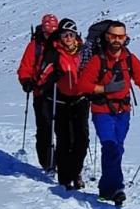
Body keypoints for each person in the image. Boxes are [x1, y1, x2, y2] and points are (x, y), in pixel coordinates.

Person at [86, 19, 140, 207]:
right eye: (113, 36)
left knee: (118, 148)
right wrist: (105, 88)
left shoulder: (130, 59)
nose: (117, 40)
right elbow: (83, 85)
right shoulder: (97, 60)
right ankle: (116, 189)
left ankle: (106, 188)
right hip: (102, 111)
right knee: (111, 147)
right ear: (107, 37)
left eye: (121, 36)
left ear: (126, 38)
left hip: (123, 111)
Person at [31, 18, 99, 190]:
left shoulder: (84, 52)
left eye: (71, 34)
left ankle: (76, 171)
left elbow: (94, 72)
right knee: (64, 140)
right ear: (60, 36)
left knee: (81, 139)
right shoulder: (53, 52)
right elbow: (42, 75)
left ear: (76, 35)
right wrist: (48, 80)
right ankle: (64, 177)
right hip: (60, 101)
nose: (68, 38)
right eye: (65, 35)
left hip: (80, 100)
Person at [16, 13, 62, 172]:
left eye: (53, 31)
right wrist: (26, 81)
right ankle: (48, 162)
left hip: (61, 93)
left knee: (62, 129)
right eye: (47, 31)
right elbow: (25, 67)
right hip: (40, 92)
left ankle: (62, 162)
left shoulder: (62, 43)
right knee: (44, 128)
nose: (50, 34)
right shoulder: (35, 46)